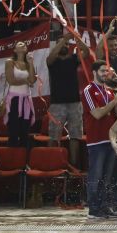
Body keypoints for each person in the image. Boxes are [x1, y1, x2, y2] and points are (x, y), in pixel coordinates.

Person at [83, 61, 117, 218]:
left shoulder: (108, 92)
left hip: (110, 139)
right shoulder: (88, 90)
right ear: (94, 72)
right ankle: (93, 209)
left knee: (107, 177)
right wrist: (115, 101)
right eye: (102, 71)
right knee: (95, 176)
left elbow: (115, 112)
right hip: (96, 140)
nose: (105, 74)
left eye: (107, 71)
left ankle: (103, 206)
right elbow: (97, 114)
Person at [46, 32, 90, 167]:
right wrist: (64, 38)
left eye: (66, 43)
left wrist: (77, 39)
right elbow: (50, 57)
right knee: (54, 136)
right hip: (57, 103)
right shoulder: (52, 61)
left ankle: (73, 166)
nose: (64, 45)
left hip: (75, 103)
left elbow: (87, 52)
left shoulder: (73, 58)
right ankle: (51, 165)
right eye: (61, 43)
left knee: (75, 136)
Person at [4, 42, 37, 147]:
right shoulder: (10, 62)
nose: (23, 44)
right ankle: (12, 160)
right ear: (15, 50)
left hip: (26, 100)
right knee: (13, 130)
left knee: (25, 131)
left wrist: (31, 63)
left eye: (24, 44)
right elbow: (11, 80)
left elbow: (32, 80)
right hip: (14, 99)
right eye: (19, 44)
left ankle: (24, 160)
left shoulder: (28, 63)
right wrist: (26, 81)